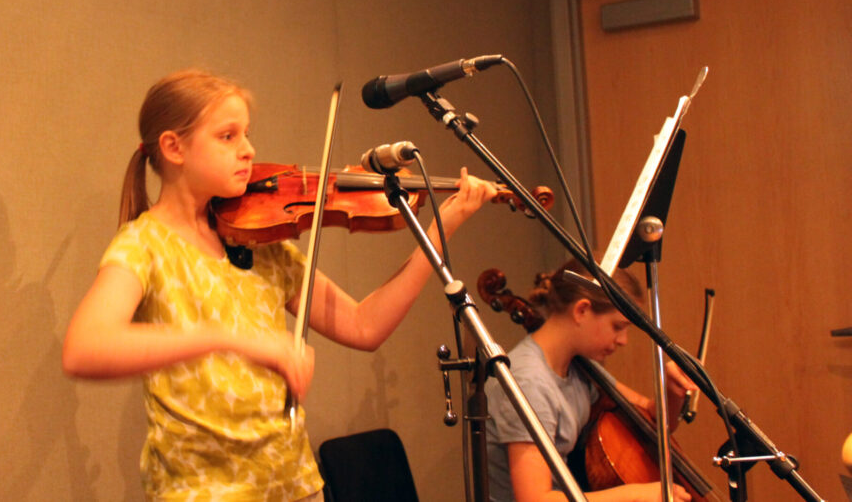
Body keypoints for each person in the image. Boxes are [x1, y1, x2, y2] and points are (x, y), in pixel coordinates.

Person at [61, 68, 497, 501]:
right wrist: (226, 338)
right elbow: (85, 348)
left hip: (296, 486)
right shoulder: (144, 245)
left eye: (246, 134)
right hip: (204, 492)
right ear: (174, 147)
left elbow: (365, 326)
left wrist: (446, 224)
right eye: (228, 136)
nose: (249, 150)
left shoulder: (259, 240)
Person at [483, 260, 699, 502]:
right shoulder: (529, 382)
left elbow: (649, 418)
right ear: (582, 311)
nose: (623, 340)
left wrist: (672, 391)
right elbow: (535, 499)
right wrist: (636, 495)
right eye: (618, 327)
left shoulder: (578, 367)